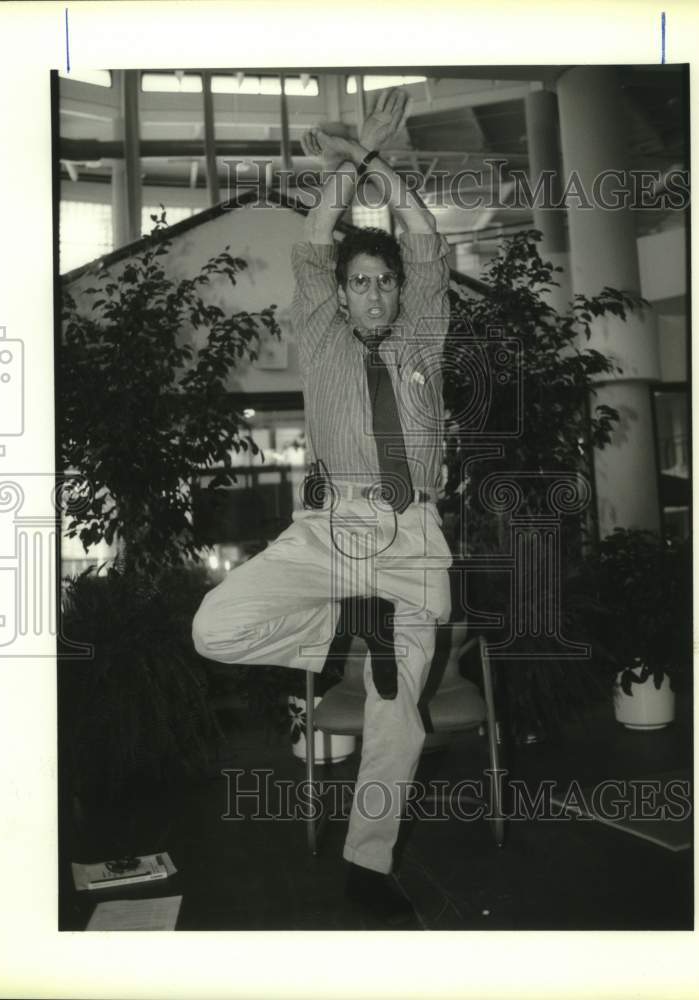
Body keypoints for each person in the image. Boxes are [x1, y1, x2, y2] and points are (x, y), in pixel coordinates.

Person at [192, 87, 453, 927]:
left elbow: (427, 241)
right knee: (214, 628)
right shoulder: (324, 339)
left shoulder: (421, 337)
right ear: (340, 297)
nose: (373, 293)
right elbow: (312, 245)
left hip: (411, 538)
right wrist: (349, 168)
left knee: (398, 723)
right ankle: (348, 627)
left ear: (395, 293)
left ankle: (366, 871)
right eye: (360, 283)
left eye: (383, 282)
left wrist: (377, 161)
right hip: (332, 529)